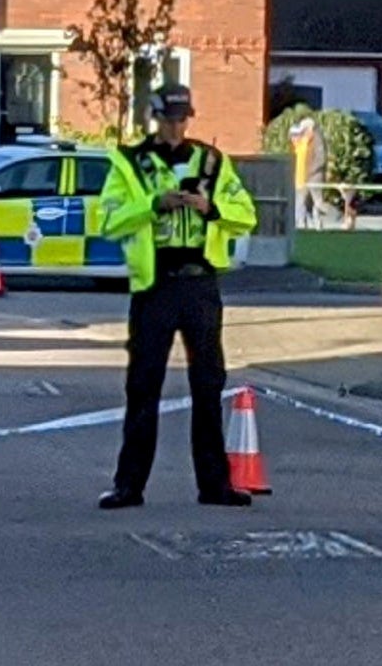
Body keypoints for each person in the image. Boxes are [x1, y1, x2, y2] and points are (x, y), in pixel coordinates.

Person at [96, 84, 258, 510]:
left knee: (208, 385)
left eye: (182, 119)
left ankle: (215, 485)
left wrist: (212, 209)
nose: (176, 127)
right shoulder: (129, 163)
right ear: (154, 118)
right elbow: (109, 221)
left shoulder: (211, 161)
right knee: (143, 386)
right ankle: (129, 485)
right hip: (156, 286)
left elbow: (246, 215)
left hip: (200, 284)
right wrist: (154, 204)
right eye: (169, 120)